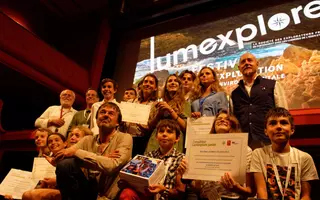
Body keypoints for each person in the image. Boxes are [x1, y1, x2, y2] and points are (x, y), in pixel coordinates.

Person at [52, 102, 132, 200]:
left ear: (117, 122)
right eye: (103, 112)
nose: (106, 115)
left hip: (108, 195)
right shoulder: (88, 139)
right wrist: (104, 159)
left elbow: (112, 166)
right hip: (87, 190)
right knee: (65, 165)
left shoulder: (125, 138)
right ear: (96, 119)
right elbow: (65, 154)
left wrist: (77, 153)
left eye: (111, 113)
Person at [178, 111, 255, 200]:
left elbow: (251, 192)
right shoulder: (201, 149)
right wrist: (186, 176)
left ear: (233, 124)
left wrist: (236, 188)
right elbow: (198, 188)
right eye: (219, 119)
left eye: (227, 119)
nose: (222, 120)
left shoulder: (245, 150)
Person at [250, 107, 318, 200]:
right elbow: (261, 192)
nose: (278, 127)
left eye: (284, 122)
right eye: (273, 123)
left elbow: (305, 196)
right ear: (265, 131)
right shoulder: (258, 154)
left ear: (292, 129)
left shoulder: (304, 157)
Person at [231, 52, 288, 149]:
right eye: (243, 62)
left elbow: (284, 114)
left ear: (257, 64)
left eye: (250, 60)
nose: (247, 63)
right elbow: (233, 121)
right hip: (244, 145)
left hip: (269, 142)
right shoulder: (234, 93)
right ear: (239, 67)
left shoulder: (273, 85)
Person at [119, 119, 185, 200]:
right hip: (146, 195)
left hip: (167, 197)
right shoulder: (148, 156)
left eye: (169, 132)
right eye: (161, 131)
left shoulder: (181, 159)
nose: (164, 134)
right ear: (156, 137)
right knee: (127, 193)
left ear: (177, 138)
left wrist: (163, 189)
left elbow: (180, 192)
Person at [145, 74, 191, 153]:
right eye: (170, 81)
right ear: (166, 86)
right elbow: (150, 126)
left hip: (175, 142)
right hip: (155, 141)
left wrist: (170, 110)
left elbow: (185, 127)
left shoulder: (185, 104)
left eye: (175, 81)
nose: (172, 83)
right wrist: (159, 114)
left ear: (180, 86)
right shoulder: (157, 103)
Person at [120, 74, 158, 156]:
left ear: (155, 88)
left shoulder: (155, 106)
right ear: (141, 85)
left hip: (141, 142)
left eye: (151, 82)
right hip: (124, 139)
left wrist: (145, 128)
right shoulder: (130, 102)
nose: (147, 84)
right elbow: (121, 122)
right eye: (145, 81)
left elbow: (152, 128)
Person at [22, 133, 68, 200]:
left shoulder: (70, 158)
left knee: (29, 195)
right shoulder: (48, 159)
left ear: (65, 143)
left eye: (56, 140)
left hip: (68, 191)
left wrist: (56, 181)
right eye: (50, 141)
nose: (53, 143)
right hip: (53, 189)